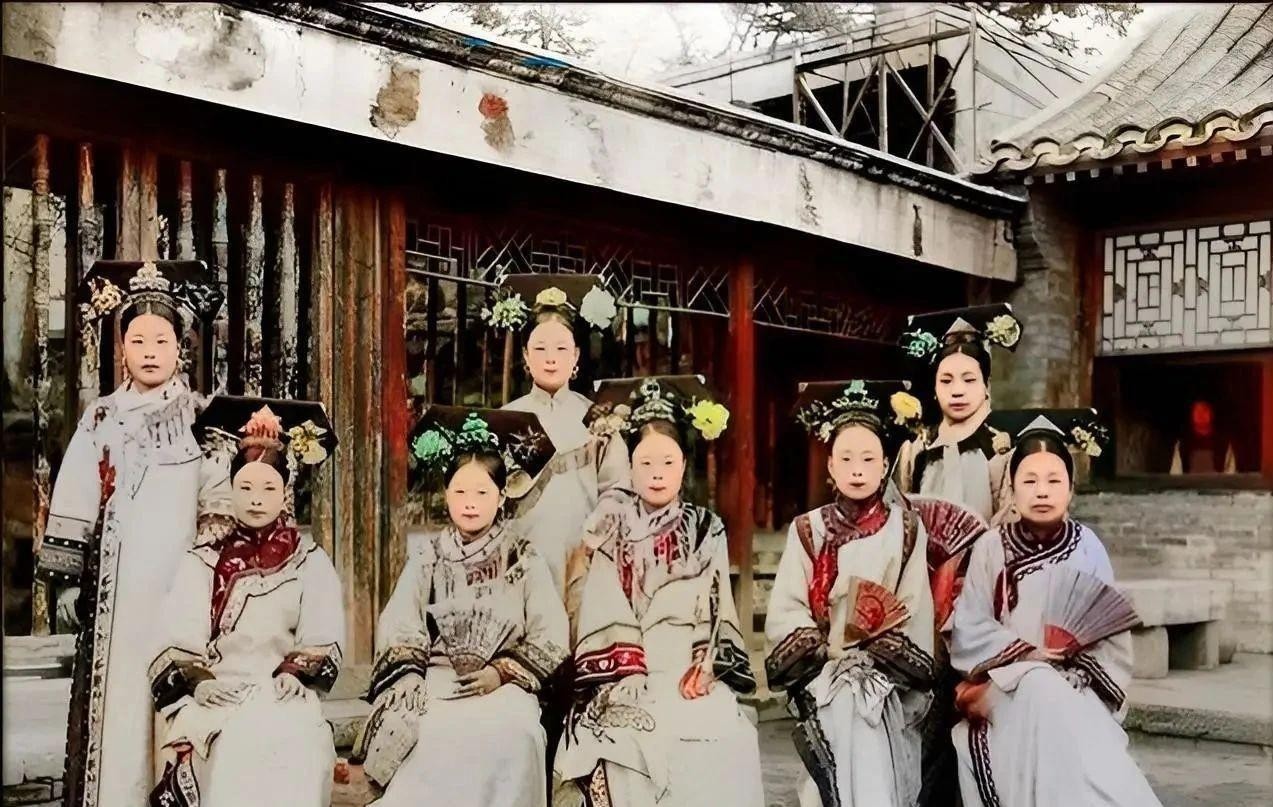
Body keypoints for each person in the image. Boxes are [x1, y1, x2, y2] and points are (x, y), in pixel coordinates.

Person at [34, 260, 225, 807]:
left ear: (180, 347)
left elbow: (217, 504)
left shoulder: (203, 419)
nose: (149, 352)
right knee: (118, 707)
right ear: (121, 348)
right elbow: (76, 494)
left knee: (176, 703)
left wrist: (213, 578)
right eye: (137, 340)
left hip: (181, 588)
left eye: (161, 340)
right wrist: (68, 581)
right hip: (117, 598)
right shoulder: (102, 418)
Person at [554, 376, 763, 807]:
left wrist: (706, 664)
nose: (656, 473)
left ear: (684, 465)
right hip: (629, 666)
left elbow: (717, 607)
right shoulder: (611, 528)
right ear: (630, 467)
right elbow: (603, 604)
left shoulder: (706, 528)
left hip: (686, 662)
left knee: (729, 733)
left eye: (668, 462)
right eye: (645, 462)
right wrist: (628, 670)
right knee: (628, 735)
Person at [355, 405, 568, 807]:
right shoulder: (428, 557)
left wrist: (501, 673)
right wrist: (409, 676)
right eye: (460, 492)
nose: (470, 503)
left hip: (503, 684)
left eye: (482, 493)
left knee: (518, 732)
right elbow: (402, 622)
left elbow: (550, 632)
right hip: (438, 677)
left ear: (501, 496)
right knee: (430, 729)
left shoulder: (523, 558)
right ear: (446, 495)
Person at [949, 412, 1161, 807]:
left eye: (1053, 481)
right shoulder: (992, 547)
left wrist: (1078, 672)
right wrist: (1027, 654)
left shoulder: (1088, 547)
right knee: (1039, 685)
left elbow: (1110, 637)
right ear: (1012, 488)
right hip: (1007, 687)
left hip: (1077, 685)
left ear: (1071, 488)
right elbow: (970, 626)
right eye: (1029, 481)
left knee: (1061, 705)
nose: (1041, 491)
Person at [148, 397, 345, 807]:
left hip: (280, 689)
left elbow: (321, 634)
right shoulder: (202, 561)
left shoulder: (309, 561)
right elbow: (177, 638)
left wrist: (296, 673)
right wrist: (200, 683)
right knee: (235, 745)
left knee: (299, 741)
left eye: (268, 488)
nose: (257, 499)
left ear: (285, 492)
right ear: (231, 490)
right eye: (246, 488)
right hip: (218, 690)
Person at [767, 379, 937, 807]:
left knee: (863, 707)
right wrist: (827, 652)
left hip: (887, 678)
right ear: (830, 466)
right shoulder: (808, 529)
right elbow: (788, 609)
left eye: (868, 459)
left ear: (885, 466)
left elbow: (913, 609)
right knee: (842, 703)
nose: (857, 469)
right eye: (846, 459)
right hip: (823, 669)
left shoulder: (907, 529)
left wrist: (871, 658)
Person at [493, 273, 631, 595]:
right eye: (540, 348)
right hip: (522, 553)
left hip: (583, 552)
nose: (551, 358)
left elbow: (618, 489)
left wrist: (593, 538)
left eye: (561, 348)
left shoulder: (597, 418)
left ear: (576, 357)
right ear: (526, 357)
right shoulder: (506, 418)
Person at [895, 304, 1024, 527]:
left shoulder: (1002, 449)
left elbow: (1010, 522)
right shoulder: (916, 450)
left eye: (969, 380)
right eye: (946, 381)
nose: (957, 390)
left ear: (986, 386)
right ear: (935, 389)